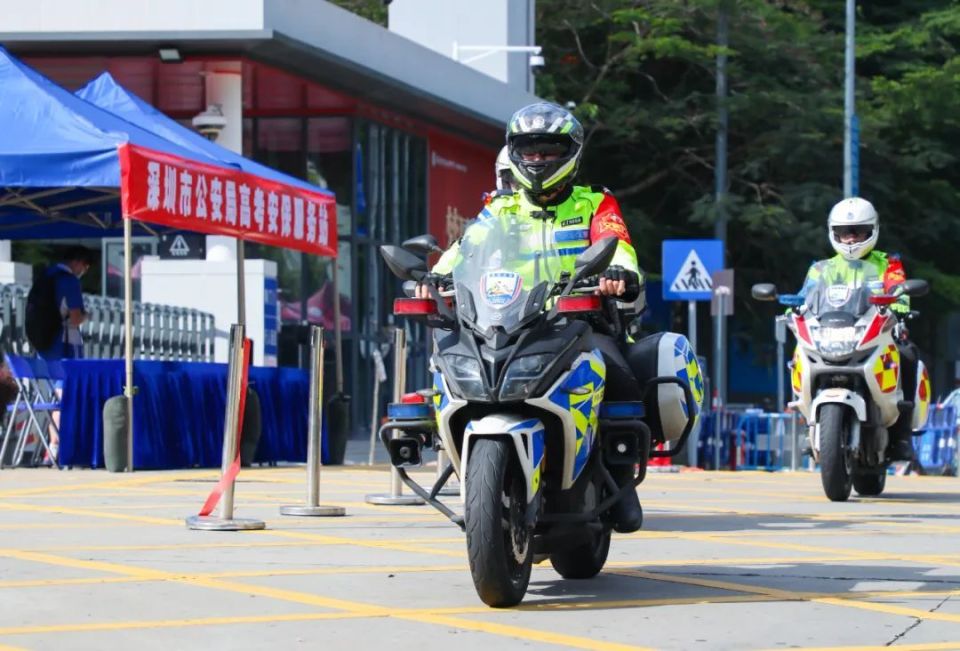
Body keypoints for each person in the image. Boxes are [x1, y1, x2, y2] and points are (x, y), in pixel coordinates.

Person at [420, 102, 646, 533]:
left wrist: (620, 274)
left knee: (617, 371)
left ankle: (619, 473)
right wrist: (435, 277)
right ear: (515, 152)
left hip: (578, 318)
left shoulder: (595, 200)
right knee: (446, 367)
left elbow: (617, 243)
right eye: (530, 150)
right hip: (506, 319)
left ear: (571, 153)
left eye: (548, 150)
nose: (538, 160)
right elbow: (466, 248)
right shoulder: (503, 209)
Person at [799, 197, 918, 460]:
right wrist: (791, 309)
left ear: (873, 230)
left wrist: (900, 303)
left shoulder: (888, 263)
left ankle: (901, 435)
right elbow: (804, 296)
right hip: (834, 332)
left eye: (858, 231)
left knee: (908, 354)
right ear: (833, 233)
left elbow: (899, 288)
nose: (851, 239)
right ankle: (810, 422)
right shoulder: (822, 268)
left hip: (875, 331)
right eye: (843, 232)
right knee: (799, 355)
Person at [34, 246, 93, 464]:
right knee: (63, 396)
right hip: (64, 346)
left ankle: (52, 446)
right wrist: (87, 315)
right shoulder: (69, 281)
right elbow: (76, 318)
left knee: (53, 398)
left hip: (43, 346)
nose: (83, 271)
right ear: (78, 262)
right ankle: (59, 447)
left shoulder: (46, 276)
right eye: (85, 267)